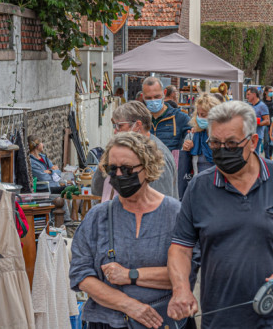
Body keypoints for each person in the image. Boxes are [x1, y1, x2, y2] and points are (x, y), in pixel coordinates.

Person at [167, 101, 273, 328]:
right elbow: (181, 247)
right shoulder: (199, 187)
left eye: (231, 143)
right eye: (215, 143)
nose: (222, 150)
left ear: (252, 141)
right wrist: (181, 289)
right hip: (219, 318)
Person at [70, 132, 184, 329]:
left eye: (127, 169)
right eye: (112, 169)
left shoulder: (175, 214)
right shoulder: (98, 217)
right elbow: (81, 274)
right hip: (107, 322)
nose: (120, 175)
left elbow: (185, 274)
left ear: (147, 168)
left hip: (163, 321)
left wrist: (131, 275)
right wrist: (130, 306)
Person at [92, 102, 179, 200]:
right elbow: (97, 191)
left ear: (137, 125)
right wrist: (104, 167)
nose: (115, 131)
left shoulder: (157, 154)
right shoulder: (123, 151)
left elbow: (160, 202)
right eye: (114, 126)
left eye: (119, 126)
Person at [180, 94, 222, 196]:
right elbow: (184, 164)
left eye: (203, 115)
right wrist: (185, 148)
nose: (199, 118)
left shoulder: (223, 137)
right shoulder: (193, 135)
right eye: (198, 114)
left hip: (219, 187)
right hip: (198, 187)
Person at [141, 77, 191, 151]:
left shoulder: (180, 117)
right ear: (143, 97)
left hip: (170, 161)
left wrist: (190, 143)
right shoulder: (139, 119)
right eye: (148, 98)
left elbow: (194, 137)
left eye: (157, 96)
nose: (153, 100)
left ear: (164, 93)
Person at [245, 86, 271, 155]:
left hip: (257, 135)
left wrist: (257, 123)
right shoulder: (249, 105)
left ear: (254, 94)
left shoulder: (262, 106)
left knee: (254, 155)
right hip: (248, 135)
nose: (246, 97)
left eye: (248, 94)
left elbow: (267, 121)